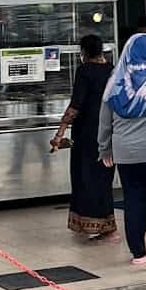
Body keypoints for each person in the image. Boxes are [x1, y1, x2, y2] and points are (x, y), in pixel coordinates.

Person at [98, 20, 146, 269]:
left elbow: (104, 121)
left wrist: (104, 148)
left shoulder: (115, 80)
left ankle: (139, 255)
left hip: (126, 154)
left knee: (134, 200)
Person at [51, 34, 118, 241]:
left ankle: (98, 226)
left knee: (86, 177)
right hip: (110, 131)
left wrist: (60, 132)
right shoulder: (113, 70)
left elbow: (76, 105)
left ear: (84, 52)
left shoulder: (85, 71)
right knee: (104, 178)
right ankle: (107, 225)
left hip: (88, 133)